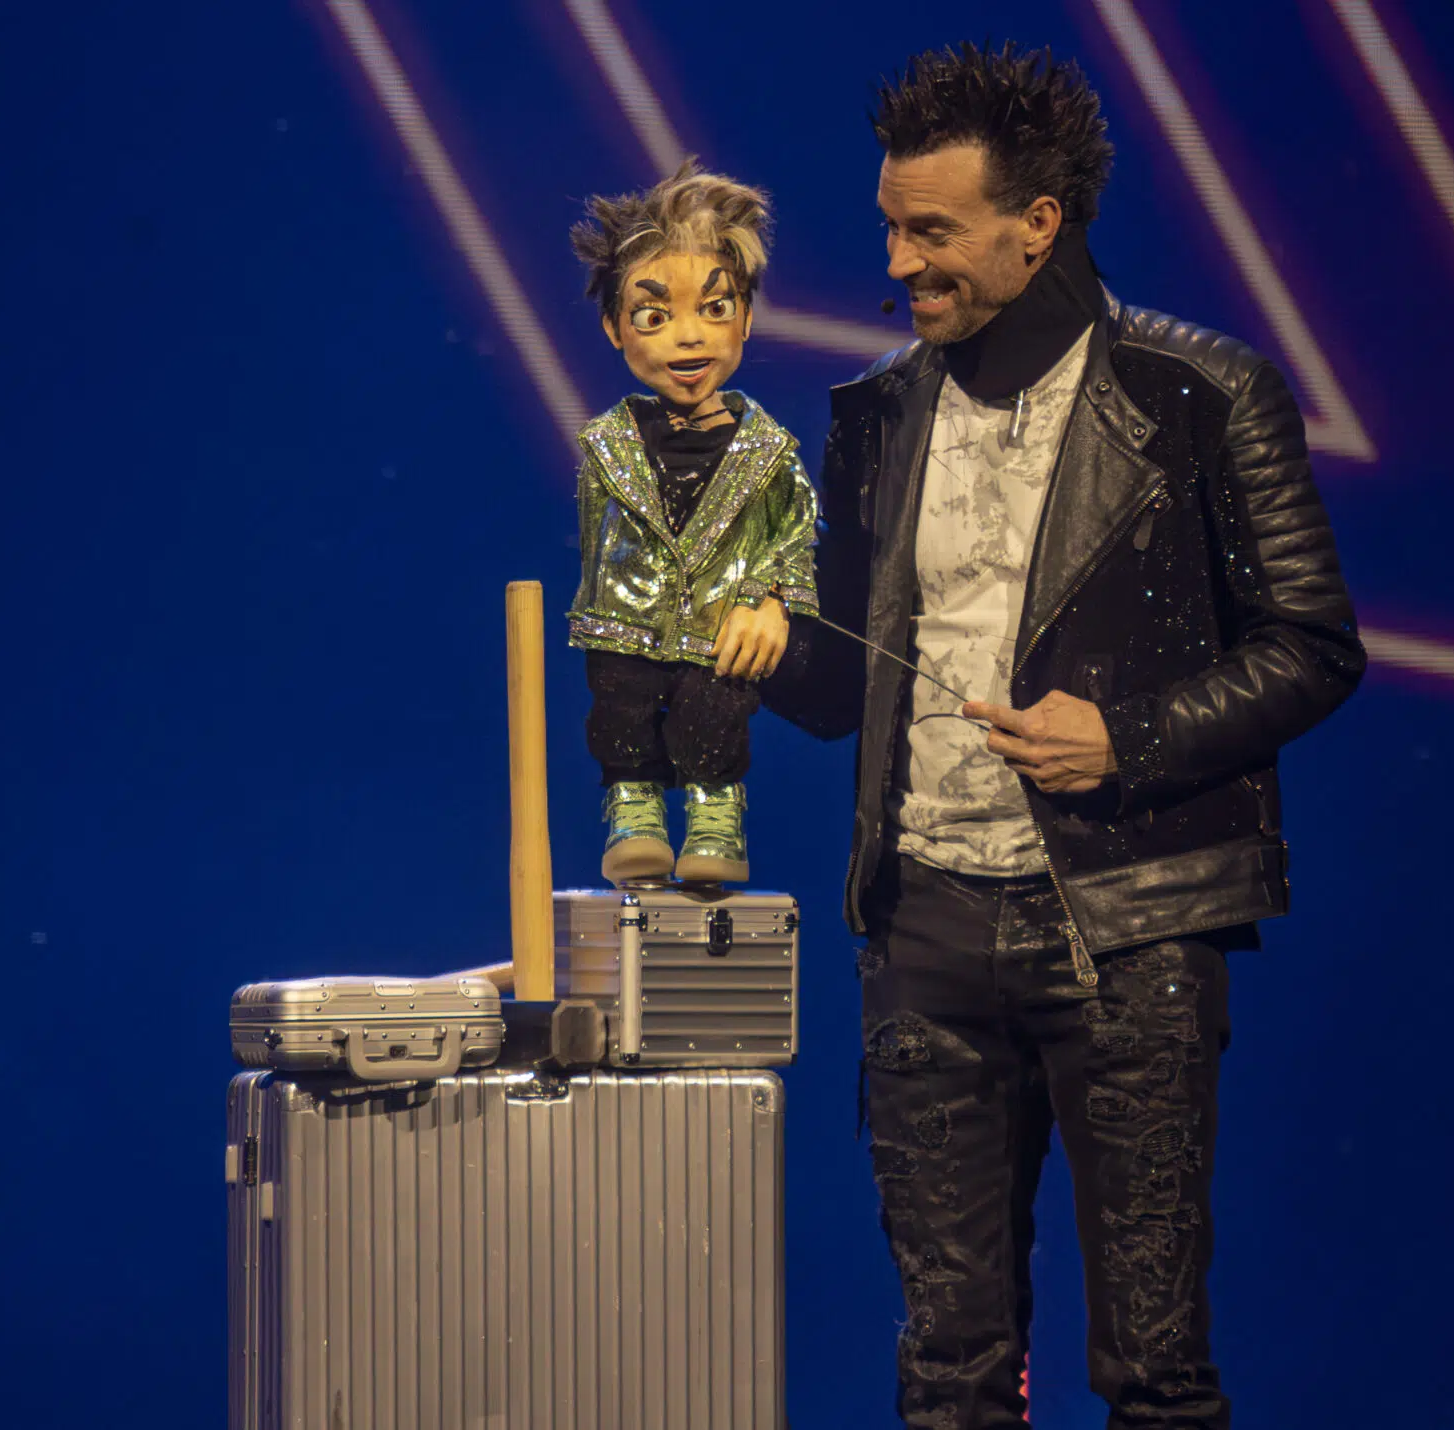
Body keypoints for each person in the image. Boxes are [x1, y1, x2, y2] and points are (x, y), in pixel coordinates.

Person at [766, 42, 1366, 1429]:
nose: (899, 264)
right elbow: (838, 682)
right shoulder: (876, 413)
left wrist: (1127, 738)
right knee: (949, 1370)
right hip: (922, 927)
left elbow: (1313, 645)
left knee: (1152, 1367)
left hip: (1124, 928)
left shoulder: (1199, 394)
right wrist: (722, 634)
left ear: (1037, 224)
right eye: (890, 228)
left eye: (933, 232)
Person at [566, 159, 819, 885]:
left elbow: (797, 532)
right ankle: (634, 808)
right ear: (615, 329)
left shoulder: (768, 453)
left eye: (714, 308)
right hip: (625, 628)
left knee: (713, 719)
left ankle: (714, 812)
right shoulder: (606, 446)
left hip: (718, 634)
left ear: (746, 317)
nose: (688, 338)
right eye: (654, 316)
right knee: (621, 714)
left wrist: (772, 600)